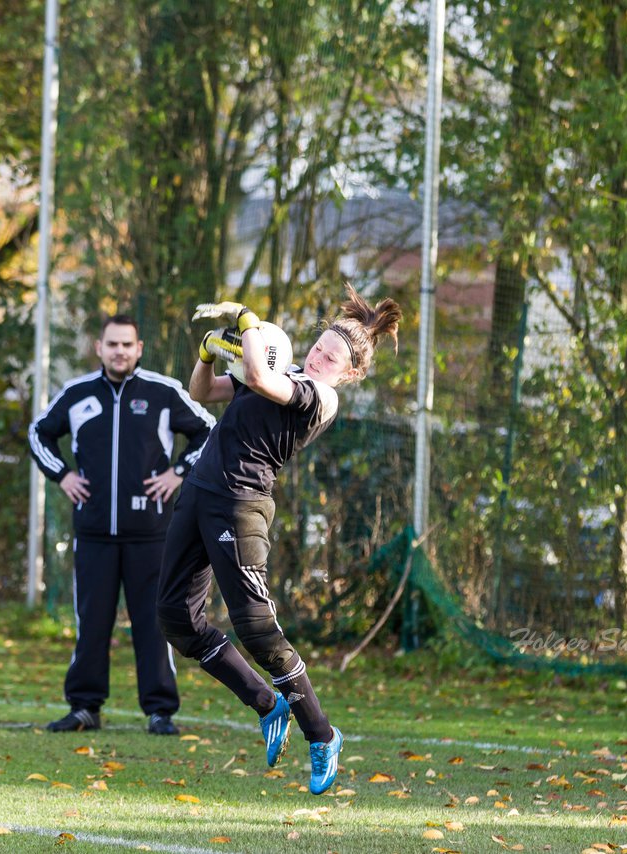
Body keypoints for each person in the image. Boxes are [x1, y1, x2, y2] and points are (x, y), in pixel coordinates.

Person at [156, 284, 402, 795]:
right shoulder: (280, 368)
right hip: (200, 493)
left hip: (241, 504)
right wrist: (206, 351)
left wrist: (248, 322)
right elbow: (201, 392)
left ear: (350, 372)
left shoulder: (321, 398)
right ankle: (267, 705)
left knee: (257, 628)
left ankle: (322, 733)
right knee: (176, 617)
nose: (318, 357)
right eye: (318, 347)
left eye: (331, 357)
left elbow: (263, 380)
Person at [29, 314, 215, 735]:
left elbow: (209, 430)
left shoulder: (164, 393)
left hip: (151, 533)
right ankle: (84, 708)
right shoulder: (76, 394)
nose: (119, 352)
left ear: (139, 348)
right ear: (99, 348)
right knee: (91, 621)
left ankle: (160, 711)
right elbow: (38, 434)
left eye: (127, 345)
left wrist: (178, 473)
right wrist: (63, 475)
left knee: (154, 623)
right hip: (93, 533)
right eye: (112, 344)